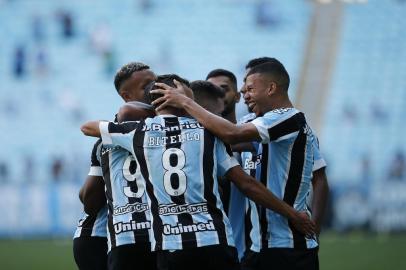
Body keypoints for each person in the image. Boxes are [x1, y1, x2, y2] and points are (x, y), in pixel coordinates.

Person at [81, 74, 315, 270]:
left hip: (171, 245)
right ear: (178, 97)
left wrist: (117, 126)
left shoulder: (137, 133)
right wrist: (292, 213)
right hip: (214, 241)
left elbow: (87, 127)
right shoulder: (208, 135)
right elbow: (247, 184)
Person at [149, 60, 322, 270]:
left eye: (250, 89)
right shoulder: (254, 121)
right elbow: (220, 137)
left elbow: (231, 135)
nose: (244, 94)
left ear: (271, 88)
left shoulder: (289, 118)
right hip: (257, 247)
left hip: (289, 245)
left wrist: (185, 102)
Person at [73, 62, 157, 270]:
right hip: (99, 235)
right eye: (147, 85)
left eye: (156, 80)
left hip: (135, 236)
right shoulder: (108, 138)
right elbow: (90, 202)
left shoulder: (162, 128)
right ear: (126, 97)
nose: (154, 87)